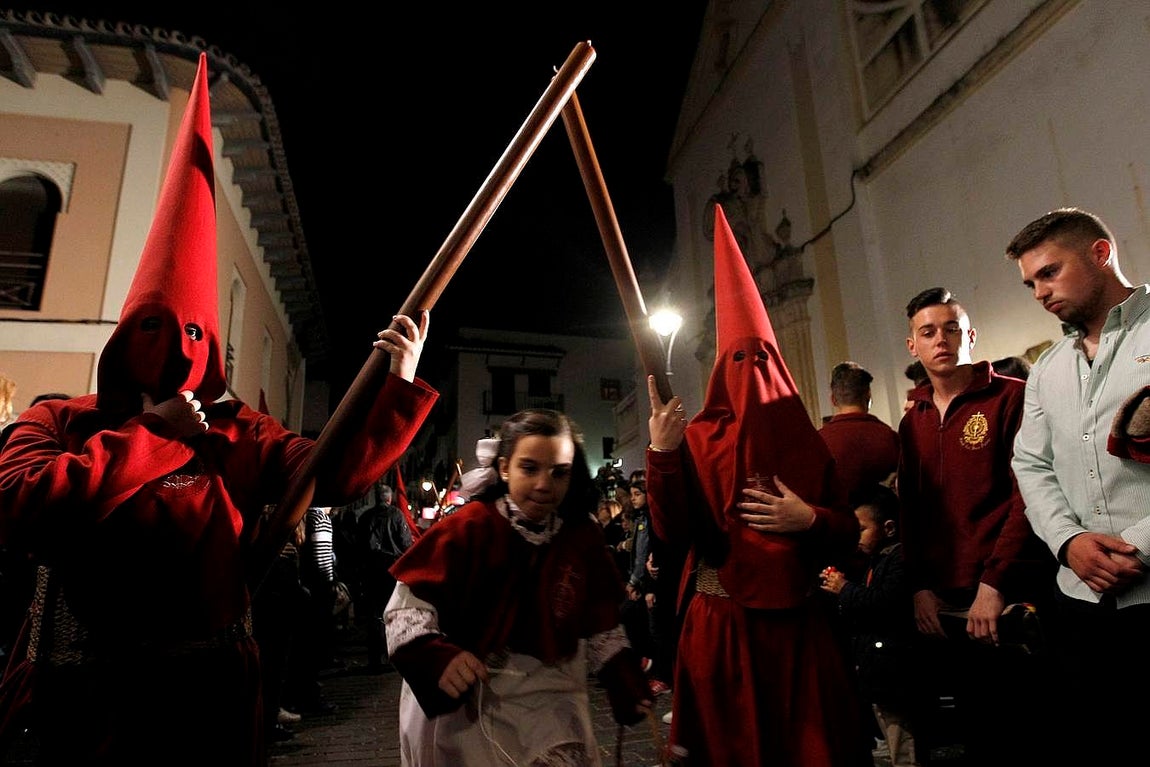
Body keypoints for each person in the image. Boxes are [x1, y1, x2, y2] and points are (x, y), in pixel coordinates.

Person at [0, 54, 438, 767]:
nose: (176, 348)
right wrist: (153, 435)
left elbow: (332, 474)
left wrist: (399, 380)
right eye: (154, 327)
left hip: (206, 703)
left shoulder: (242, 432)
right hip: (81, 707)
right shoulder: (58, 421)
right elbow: (20, 504)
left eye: (195, 332)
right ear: (124, 334)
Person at [645, 206, 868, 766]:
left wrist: (808, 519)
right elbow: (672, 532)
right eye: (738, 359)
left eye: (761, 358)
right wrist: (663, 454)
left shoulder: (809, 444)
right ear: (722, 369)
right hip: (721, 627)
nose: (751, 370)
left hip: (798, 630)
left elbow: (847, 532)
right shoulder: (697, 439)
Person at [384, 409, 651, 766]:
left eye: (559, 472)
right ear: (505, 468)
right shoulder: (470, 527)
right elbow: (405, 608)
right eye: (529, 468)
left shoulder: (581, 535)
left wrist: (621, 675)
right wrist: (435, 657)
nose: (544, 484)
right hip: (475, 706)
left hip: (554, 700)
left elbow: (600, 618)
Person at [1005, 207, 1150, 764]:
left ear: (1100, 253)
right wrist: (1068, 542)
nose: (1040, 292)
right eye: (1030, 283)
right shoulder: (1047, 369)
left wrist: (1138, 546)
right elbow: (1030, 465)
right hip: (1080, 600)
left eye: (1049, 272)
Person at [898, 286, 1055, 765]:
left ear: (970, 335)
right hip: (944, 603)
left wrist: (995, 582)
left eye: (951, 329)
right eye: (928, 332)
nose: (940, 340)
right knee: (973, 733)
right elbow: (912, 511)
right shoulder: (914, 420)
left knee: (1024, 731)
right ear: (913, 346)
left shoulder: (1011, 397)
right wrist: (919, 587)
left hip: (1008, 594)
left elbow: (1028, 497)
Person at [820, 484, 926, 767]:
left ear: (888, 528)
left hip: (895, 672)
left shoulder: (899, 560)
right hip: (879, 673)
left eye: (862, 529)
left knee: (903, 742)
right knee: (891, 735)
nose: (856, 538)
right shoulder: (875, 560)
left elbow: (883, 602)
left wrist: (844, 589)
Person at [818, 361, 900, 506]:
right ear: (868, 396)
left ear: (833, 400)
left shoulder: (818, 441)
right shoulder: (890, 438)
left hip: (835, 519)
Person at [356, 481, 412, 671]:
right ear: (389, 498)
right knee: (393, 611)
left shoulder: (365, 517)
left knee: (373, 614)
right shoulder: (396, 515)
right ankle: (391, 654)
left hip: (371, 570)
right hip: (391, 570)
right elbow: (405, 543)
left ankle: (374, 658)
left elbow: (359, 545)